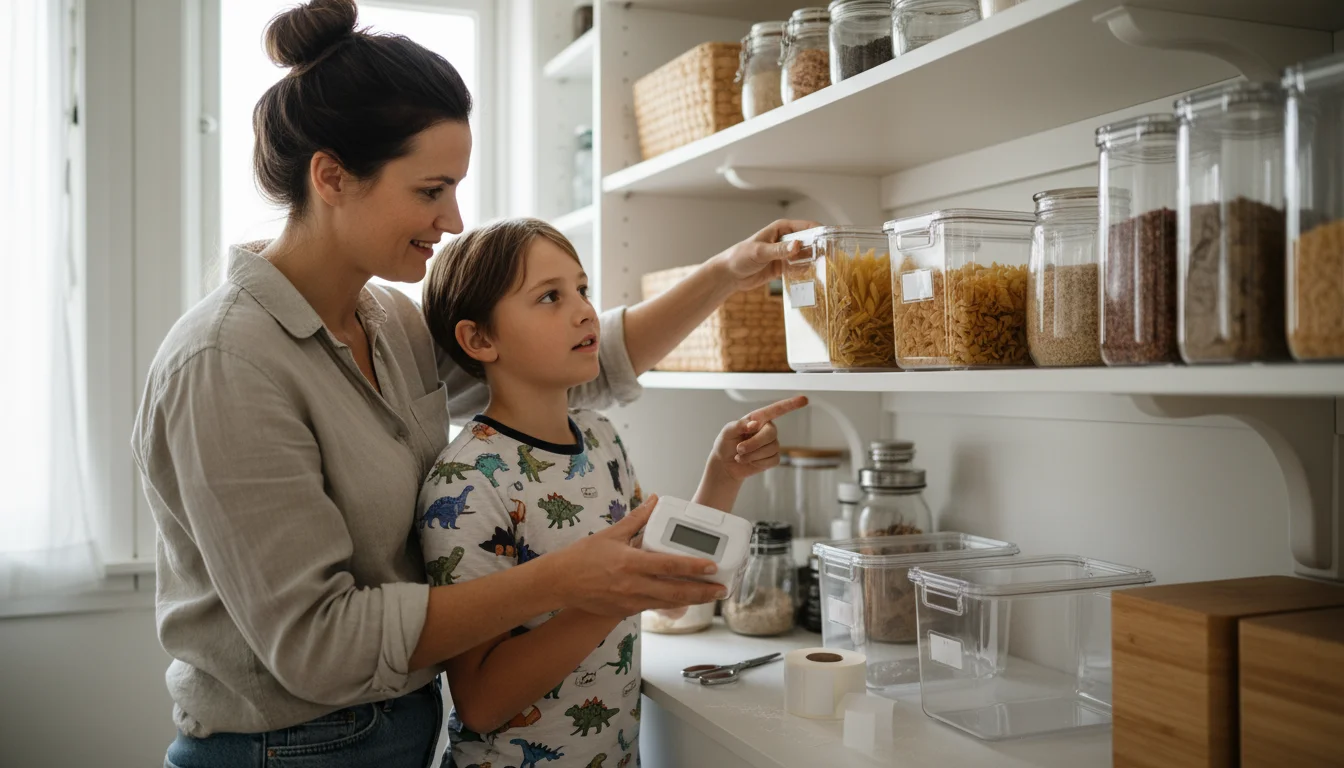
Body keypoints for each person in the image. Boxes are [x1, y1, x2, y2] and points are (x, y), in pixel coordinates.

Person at [130, 0, 815, 766]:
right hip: (286, 749)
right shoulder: (227, 364)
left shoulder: (386, 320)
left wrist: (726, 273)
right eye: (430, 190)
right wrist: (571, 583)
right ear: (331, 176)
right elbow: (317, 645)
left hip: (398, 729)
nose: (454, 218)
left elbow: (562, 361)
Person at [415, 218, 808, 768]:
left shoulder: (599, 437)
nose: (583, 311)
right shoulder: (467, 482)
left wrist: (724, 475)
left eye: (582, 289)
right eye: (549, 297)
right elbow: (480, 704)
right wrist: (613, 598)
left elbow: (660, 569)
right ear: (480, 339)